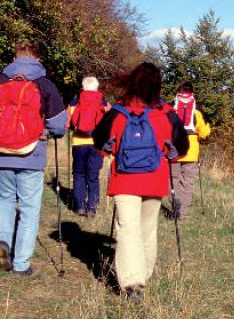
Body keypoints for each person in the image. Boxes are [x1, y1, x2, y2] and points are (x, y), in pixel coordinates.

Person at [93, 62, 188, 302]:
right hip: (154, 180)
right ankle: (142, 276)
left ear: (132, 81)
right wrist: (168, 153)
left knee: (128, 229)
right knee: (147, 229)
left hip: (124, 180)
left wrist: (111, 150)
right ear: (157, 85)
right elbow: (182, 148)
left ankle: (132, 283)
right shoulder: (166, 113)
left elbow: (99, 142)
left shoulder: (118, 112)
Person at [0, 41, 66, 276]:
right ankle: (21, 264)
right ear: (38, 59)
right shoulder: (45, 85)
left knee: (4, 199)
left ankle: (1, 249)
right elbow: (59, 126)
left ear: (14, 59)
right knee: (29, 207)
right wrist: (44, 130)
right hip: (31, 153)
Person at [65, 76, 110, 217]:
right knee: (93, 176)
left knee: (79, 174)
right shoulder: (103, 102)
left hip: (79, 142)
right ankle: (92, 207)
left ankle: (79, 207)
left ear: (83, 87)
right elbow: (110, 122)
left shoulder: (75, 101)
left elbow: (68, 124)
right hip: (97, 144)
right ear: (97, 87)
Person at [169, 81, 211, 219]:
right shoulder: (197, 111)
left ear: (177, 93)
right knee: (187, 184)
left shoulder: (171, 109)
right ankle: (183, 214)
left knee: (172, 181)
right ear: (192, 93)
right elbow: (205, 133)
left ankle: (175, 205)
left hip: (174, 150)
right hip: (191, 151)